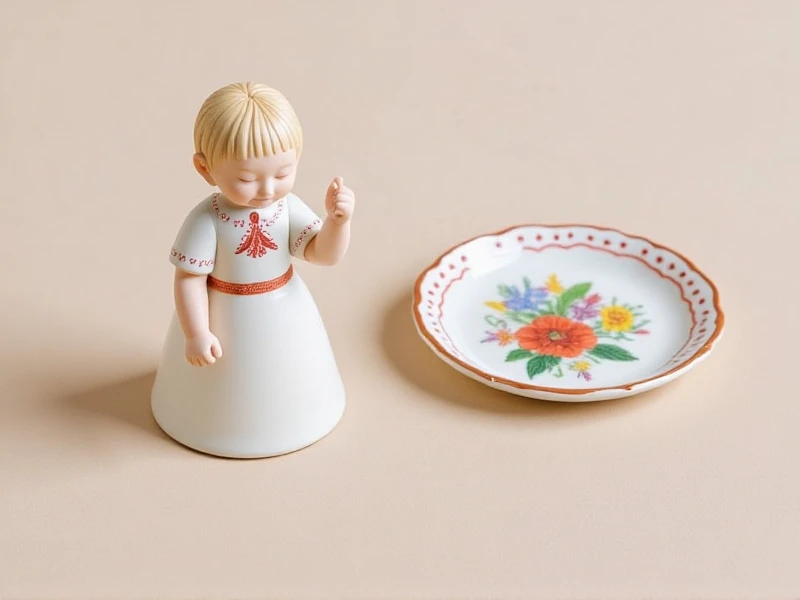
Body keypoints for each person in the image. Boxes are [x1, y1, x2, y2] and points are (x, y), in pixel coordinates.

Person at [151, 82, 355, 458]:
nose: (267, 189)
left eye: (283, 173)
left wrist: (337, 223)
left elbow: (322, 254)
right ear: (205, 168)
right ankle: (213, 427)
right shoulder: (208, 219)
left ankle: (301, 419)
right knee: (226, 389)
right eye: (246, 179)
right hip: (222, 317)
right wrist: (196, 333)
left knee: (287, 375)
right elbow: (189, 279)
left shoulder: (287, 208)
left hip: (286, 309)